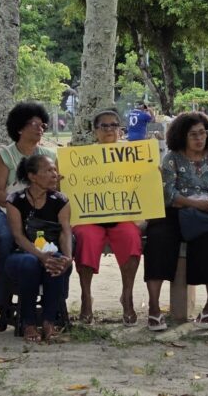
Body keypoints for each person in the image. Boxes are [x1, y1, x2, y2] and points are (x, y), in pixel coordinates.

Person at [145, 112, 208, 332]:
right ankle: (154, 306)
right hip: (178, 210)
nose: (199, 138)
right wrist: (196, 204)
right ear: (182, 136)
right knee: (158, 238)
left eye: (203, 133)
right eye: (193, 134)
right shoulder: (172, 158)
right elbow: (168, 194)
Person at [0, 102, 55, 327]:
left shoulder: (49, 156)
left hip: (40, 216)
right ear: (19, 128)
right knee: (6, 239)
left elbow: (57, 190)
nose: (40, 128)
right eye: (34, 124)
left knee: (61, 239)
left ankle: (52, 299)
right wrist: (20, 204)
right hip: (4, 213)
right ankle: (3, 297)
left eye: (42, 124)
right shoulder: (5, 155)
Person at [73, 109, 142, 325]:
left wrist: (151, 173)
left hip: (122, 216)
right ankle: (86, 297)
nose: (110, 129)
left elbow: (142, 187)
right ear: (96, 131)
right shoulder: (83, 157)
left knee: (131, 236)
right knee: (85, 238)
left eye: (114, 125)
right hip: (91, 218)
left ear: (121, 130)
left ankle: (127, 295)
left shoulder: (133, 154)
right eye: (104, 126)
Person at [4, 154, 73, 342]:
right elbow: (18, 237)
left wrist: (68, 257)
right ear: (33, 176)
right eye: (48, 170)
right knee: (30, 263)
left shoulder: (61, 200)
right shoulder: (15, 200)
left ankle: (49, 322)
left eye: (54, 170)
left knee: (57, 260)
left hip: (51, 253)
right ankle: (29, 322)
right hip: (21, 255)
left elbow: (65, 232)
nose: (54, 174)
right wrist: (40, 256)